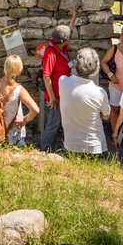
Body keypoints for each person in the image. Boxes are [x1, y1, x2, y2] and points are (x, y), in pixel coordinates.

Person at [58, 48, 111, 158]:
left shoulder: (63, 81)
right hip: (94, 146)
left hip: (71, 145)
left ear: (76, 64)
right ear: (96, 67)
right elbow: (106, 116)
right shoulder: (100, 93)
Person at [0, 54, 41, 146]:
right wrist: (24, 120)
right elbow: (35, 110)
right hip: (13, 134)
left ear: (5, 66)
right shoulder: (19, 90)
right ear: (19, 70)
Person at [39, 10, 77, 152]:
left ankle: (51, 147)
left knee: (58, 121)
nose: (70, 38)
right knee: (53, 123)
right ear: (63, 40)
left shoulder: (61, 46)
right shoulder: (51, 53)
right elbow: (46, 76)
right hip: (55, 96)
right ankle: (45, 149)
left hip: (62, 93)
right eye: (69, 38)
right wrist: (52, 98)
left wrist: (74, 16)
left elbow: (69, 31)